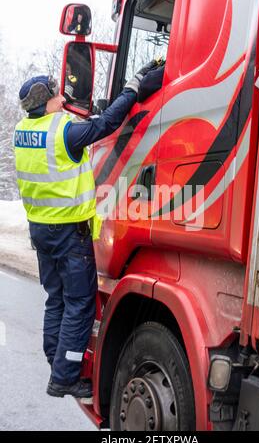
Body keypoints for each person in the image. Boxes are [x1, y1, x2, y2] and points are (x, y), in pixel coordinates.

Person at [14, 60, 159, 400]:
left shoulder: (23, 131)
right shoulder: (64, 131)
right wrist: (132, 89)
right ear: (47, 99)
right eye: (55, 93)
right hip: (68, 233)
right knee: (79, 303)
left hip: (41, 231)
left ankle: (57, 363)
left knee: (57, 300)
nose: (61, 96)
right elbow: (107, 123)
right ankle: (64, 376)